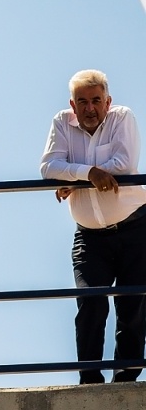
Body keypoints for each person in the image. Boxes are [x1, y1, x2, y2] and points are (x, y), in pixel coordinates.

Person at [40, 69, 146, 384]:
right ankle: (89, 379)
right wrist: (87, 174)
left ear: (107, 101)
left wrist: (74, 177)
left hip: (135, 229)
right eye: (82, 102)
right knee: (91, 301)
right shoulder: (62, 122)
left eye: (96, 101)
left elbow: (124, 165)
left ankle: (126, 378)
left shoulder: (122, 118)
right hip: (89, 238)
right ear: (73, 105)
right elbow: (48, 166)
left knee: (133, 305)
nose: (90, 108)